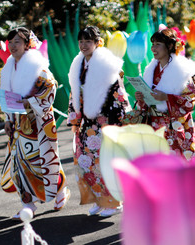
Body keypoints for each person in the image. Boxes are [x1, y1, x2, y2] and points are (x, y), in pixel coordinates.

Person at [0, 27, 70, 220]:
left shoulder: (38, 66)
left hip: (38, 122)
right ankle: (28, 204)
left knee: (42, 161)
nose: (13, 46)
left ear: (27, 44)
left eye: (17, 42)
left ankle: (60, 190)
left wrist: (28, 102)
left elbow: (50, 89)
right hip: (17, 123)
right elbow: (6, 94)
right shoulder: (8, 67)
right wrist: (7, 118)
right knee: (18, 164)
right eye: (10, 42)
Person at [67, 26, 130, 216]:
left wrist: (114, 121)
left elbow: (118, 94)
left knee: (106, 162)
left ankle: (114, 202)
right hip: (86, 123)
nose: (84, 45)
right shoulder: (78, 64)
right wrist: (75, 118)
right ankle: (98, 199)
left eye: (88, 41)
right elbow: (74, 94)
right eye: (81, 41)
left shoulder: (107, 65)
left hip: (105, 121)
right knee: (85, 161)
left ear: (97, 43)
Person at [133, 28, 195, 160]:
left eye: (158, 44)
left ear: (170, 46)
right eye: (152, 44)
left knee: (179, 164)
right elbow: (146, 102)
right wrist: (141, 98)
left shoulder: (183, 71)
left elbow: (189, 100)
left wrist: (167, 97)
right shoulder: (150, 69)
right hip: (154, 124)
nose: (153, 48)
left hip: (175, 127)